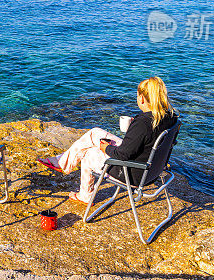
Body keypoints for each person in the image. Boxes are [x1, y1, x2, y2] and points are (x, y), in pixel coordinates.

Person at [37, 76, 178, 204]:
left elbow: (123, 155)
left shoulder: (143, 123)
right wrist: (134, 129)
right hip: (153, 169)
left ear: (141, 98)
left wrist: (106, 148)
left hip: (134, 174)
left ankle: (84, 195)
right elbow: (146, 139)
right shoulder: (171, 117)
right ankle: (62, 162)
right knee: (95, 133)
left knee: (88, 153)